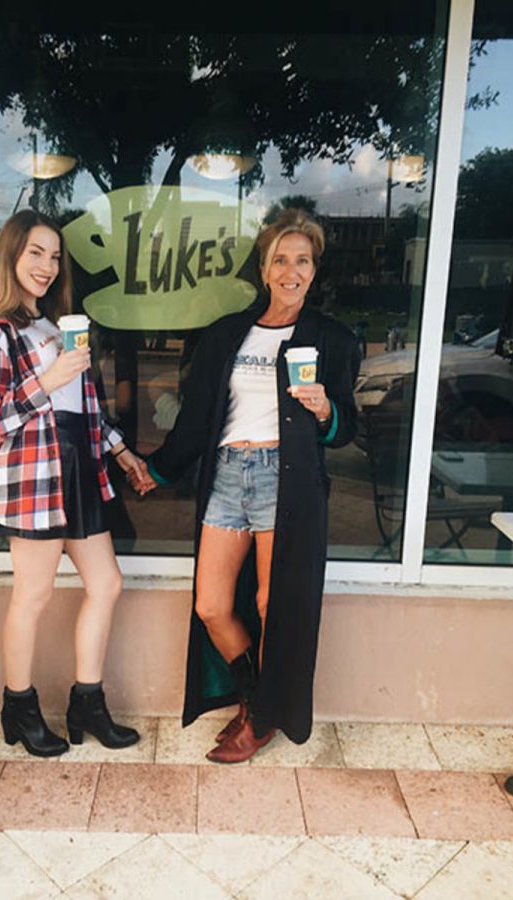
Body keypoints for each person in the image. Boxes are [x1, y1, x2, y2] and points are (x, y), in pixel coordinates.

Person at [132, 208, 361, 763]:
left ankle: (257, 719)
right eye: (280, 259)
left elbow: (346, 430)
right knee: (211, 605)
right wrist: (156, 470)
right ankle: (259, 702)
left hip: (287, 482)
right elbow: (198, 418)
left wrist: (326, 407)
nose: (291, 270)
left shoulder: (331, 339)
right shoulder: (229, 334)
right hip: (230, 476)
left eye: (302, 260)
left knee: (269, 603)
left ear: (314, 269)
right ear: (264, 268)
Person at [0, 210, 147, 757]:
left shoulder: (56, 325)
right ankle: (19, 706)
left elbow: (82, 406)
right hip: (32, 476)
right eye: (35, 253)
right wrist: (46, 379)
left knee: (106, 584)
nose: (47, 265)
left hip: (77, 466)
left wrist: (120, 449)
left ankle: (87, 701)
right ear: (11, 256)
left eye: (55, 256)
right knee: (34, 594)